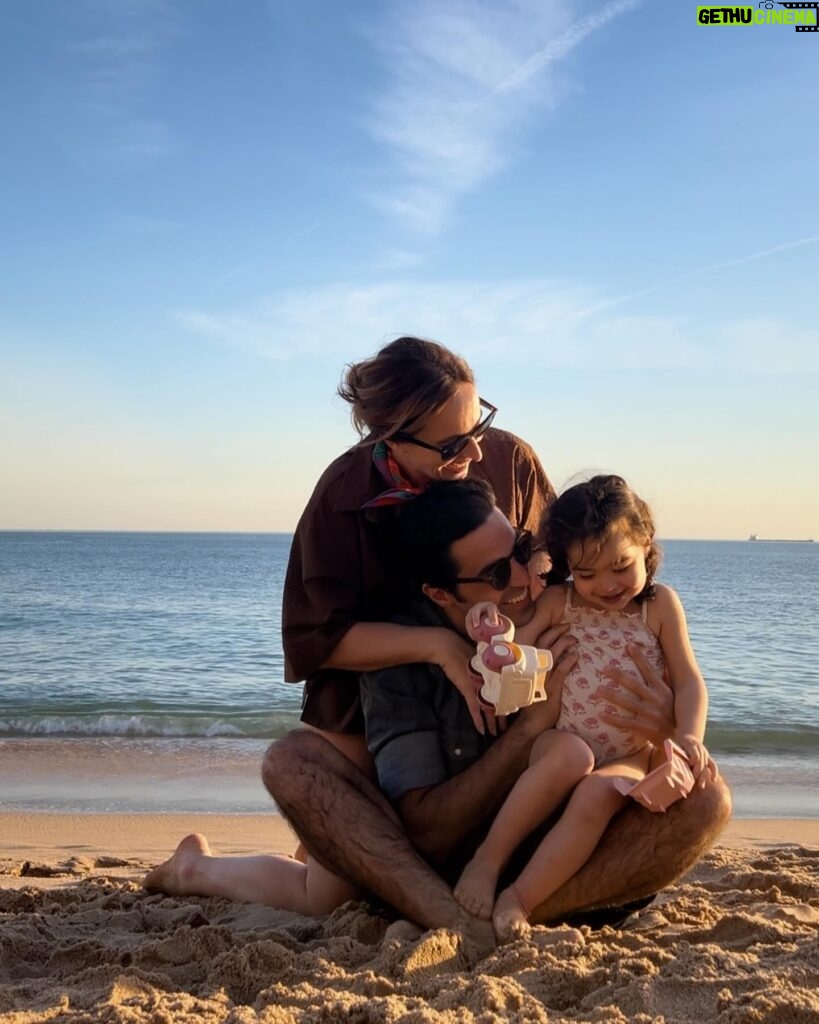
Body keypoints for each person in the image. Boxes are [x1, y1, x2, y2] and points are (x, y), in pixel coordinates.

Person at [145, 335, 555, 915]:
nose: (472, 451)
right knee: (330, 897)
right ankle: (194, 868)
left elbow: (558, 556)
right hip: (370, 691)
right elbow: (319, 638)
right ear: (389, 434)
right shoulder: (342, 497)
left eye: (477, 425)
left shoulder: (508, 459)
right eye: (450, 445)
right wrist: (438, 645)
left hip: (495, 675)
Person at [259, 480, 731, 937]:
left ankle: (516, 911)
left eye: (523, 551)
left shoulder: (616, 593)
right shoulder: (411, 660)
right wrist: (527, 720)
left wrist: (673, 728)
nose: (528, 579)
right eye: (498, 574)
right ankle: (479, 916)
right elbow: (427, 833)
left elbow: (687, 678)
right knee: (301, 798)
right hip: (462, 859)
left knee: (709, 799)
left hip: (581, 845)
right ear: (440, 593)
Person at [454, 475, 713, 939]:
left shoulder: (658, 607)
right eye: (587, 573)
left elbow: (690, 680)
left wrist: (689, 735)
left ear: (645, 543)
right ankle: (487, 861)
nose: (607, 585)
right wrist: (491, 628)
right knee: (574, 757)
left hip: (633, 752)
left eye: (621, 566)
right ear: (567, 565)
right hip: (564, 736)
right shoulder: (560, 601)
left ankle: (522, 898)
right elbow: (516, 653)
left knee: (598, 792)